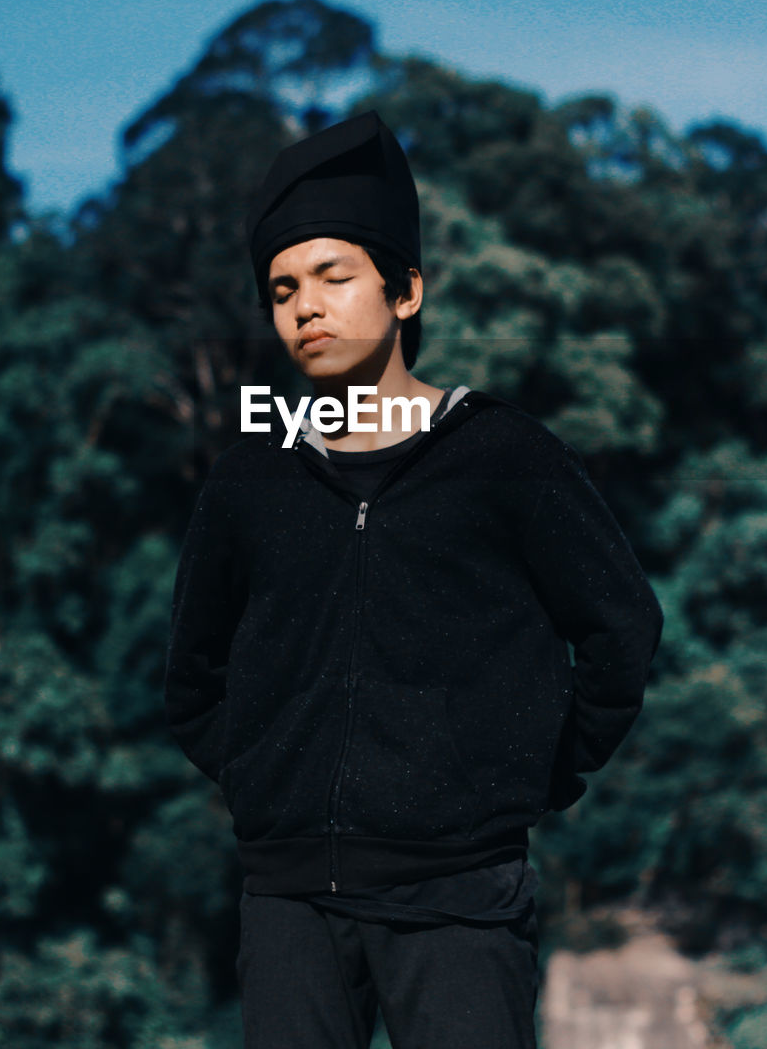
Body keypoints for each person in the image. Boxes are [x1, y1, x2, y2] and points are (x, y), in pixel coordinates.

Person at [164, 109, 664, 1049]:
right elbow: (192, 676)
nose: (304, 306)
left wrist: (529, 776)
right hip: (289, 905)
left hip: (461, 900)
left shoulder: (502, 455)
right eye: (281, 289)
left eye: (332, 276)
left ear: (405, 292)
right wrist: (271, 778)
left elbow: (621, 631)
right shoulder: (253, 473)